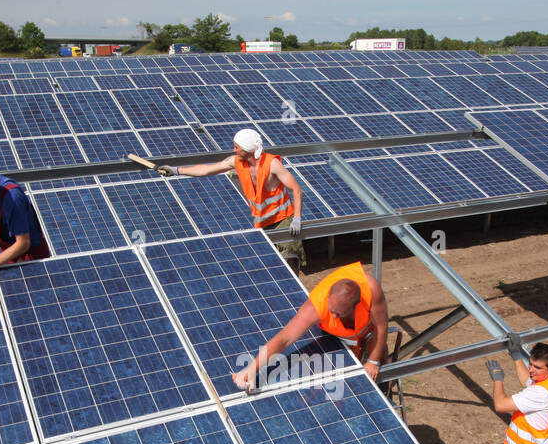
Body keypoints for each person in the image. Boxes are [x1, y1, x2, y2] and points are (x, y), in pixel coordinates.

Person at [154, 128, 306, 270]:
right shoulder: (236, 162)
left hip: (283, 220)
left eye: (237, 147)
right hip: (262, 223)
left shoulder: (272, 164)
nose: (234, 150)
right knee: (271, 266)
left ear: (248, 150)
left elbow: (296, 189)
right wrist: (177, 170)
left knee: (289, 262)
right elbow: (206, 170)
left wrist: (297, 218)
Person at [231, 262, 388, 389]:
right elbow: (284, 338)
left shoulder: (372, 290)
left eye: (339, 313)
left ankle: (384, 392)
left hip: (367, 333)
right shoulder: (316, 306)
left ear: (356, 305)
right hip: (338, 338)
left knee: (379, 359)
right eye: (331, 310)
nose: (333, 316)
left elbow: (381, 327)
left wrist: (373, 361)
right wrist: (252, 369)